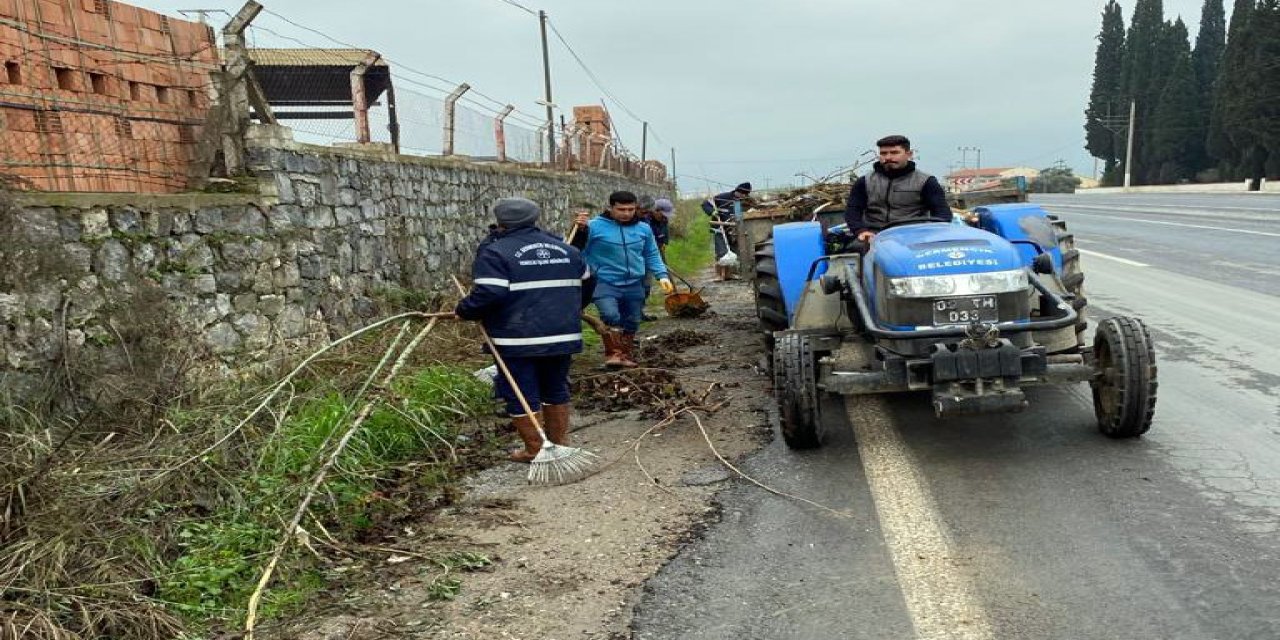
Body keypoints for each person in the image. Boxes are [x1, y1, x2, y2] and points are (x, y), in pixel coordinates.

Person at [455, 197, 593, 463]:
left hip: (516, 338)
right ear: (535, 217)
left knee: (520, 391)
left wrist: (465, 310)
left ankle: (534, 449)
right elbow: (587, 283)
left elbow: (489, 292)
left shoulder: (495, 252)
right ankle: (559, 442)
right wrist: (569, 310)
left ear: (500, 221)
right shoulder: (566, 249)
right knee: (555, 386)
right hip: (562, 334)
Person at [572, 190, 673, 368]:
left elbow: (651, 253)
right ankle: (614, 354)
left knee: (633, 319)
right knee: (610, 315)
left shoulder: (643, 228)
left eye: (630, 209)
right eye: (621, 209)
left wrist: (662, 275)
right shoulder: (594, 226)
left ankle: (625, 354)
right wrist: (579, 230)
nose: (626, 213)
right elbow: (574, 249)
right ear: (610, 208)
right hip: (603, 281)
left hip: (634, 282)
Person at [844, 135, 952, 243]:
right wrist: (860, 231)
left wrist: (931, 235)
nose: (888, 157)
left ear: (909, 154)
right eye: (883, 153)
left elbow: (942, 212)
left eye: (894, 152)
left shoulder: (926, 181)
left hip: (914, 236)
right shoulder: (865, 182)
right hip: (874, 236)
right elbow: (853, 210)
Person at [701, 182, 751, 280]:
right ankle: (719, 275)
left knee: (733, 251)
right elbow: (705, 204)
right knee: (721, 251)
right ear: (737, 191)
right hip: (719, 228)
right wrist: (712, 212)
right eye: (742, 194)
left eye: (745, 195)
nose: (743, 196)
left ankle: (730, 274)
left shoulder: (744, 201)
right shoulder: (722, 197)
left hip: (734, 229)